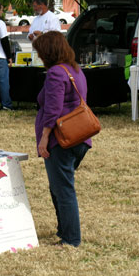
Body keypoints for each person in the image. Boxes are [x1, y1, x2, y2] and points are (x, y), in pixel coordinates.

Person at [32, 31, 91, 247]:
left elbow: (53, 110)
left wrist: (44, 138)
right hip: (80, 137)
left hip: (61, 140)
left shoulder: (56, 73)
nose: (39, 56)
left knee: (64, 190)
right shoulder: (74, 70)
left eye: (40, 52)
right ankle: (64, 230)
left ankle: (71, 239)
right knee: (59, 186)